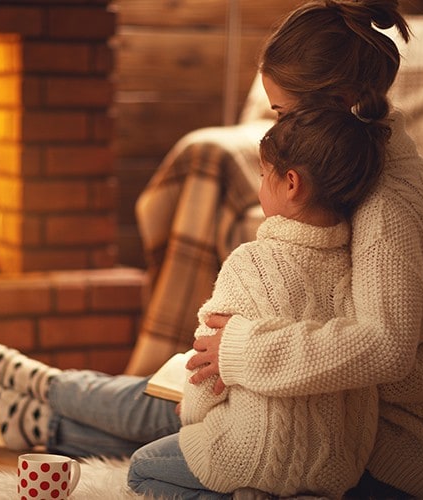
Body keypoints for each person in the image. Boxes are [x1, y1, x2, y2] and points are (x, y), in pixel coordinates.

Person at [0, 0, 423, 497]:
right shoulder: (392, 171)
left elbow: (387, 348)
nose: (278, 128)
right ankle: (45, 405)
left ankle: (48, 407)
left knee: (186, 409)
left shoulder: (386, 204)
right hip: (362, 412)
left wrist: (244, 352)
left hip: (408, 455)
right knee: (191, 392)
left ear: (343, 100)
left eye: (283, 112)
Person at [126, 103, 390, 499]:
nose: (259, 185)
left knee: (142, 471)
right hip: (339, 466)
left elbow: (205, 367)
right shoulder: (360, 267)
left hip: (254, 453)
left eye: (263, 175)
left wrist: (194, 415)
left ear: (291, 183)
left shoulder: (251, 263)